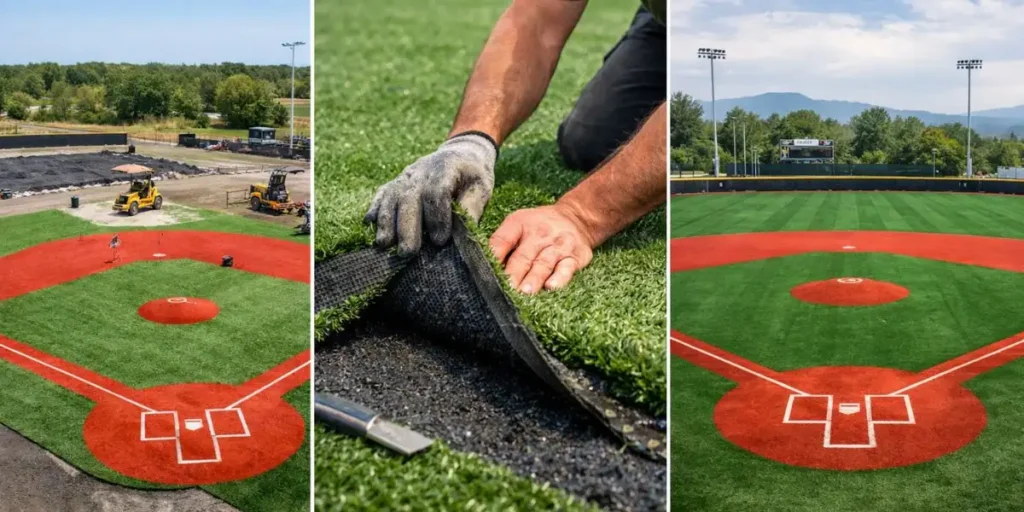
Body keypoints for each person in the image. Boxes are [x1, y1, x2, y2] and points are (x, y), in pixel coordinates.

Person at [365, 0, 666, 294]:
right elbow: (536, 18)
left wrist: (580, 215)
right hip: (666, 24)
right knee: (593, 142)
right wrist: (472, 140)